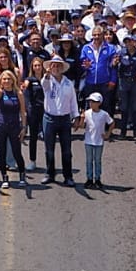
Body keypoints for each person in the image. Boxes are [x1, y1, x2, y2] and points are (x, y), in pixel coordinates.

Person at [41, 55, 79, 186]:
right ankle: (50, 174)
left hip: (64, 119)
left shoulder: (68, 83)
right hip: (49, 118)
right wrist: (46, 75)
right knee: (49, 149)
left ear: (62, 68)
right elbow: (44, 85)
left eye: (58, 66)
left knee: (66, 150)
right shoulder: (47, 80)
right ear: (50, 68)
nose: (56, 68)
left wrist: (76, 116)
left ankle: (68, 176)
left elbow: (73, 101)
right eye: (53, 65)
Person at [0, 69, 27, 188]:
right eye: (4, 79)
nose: (6, 81)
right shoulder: (0, 92)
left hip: (15, 126)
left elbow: (23, 112)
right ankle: (4, 178)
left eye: (9, 79)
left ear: (13, 80)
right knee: (1, 152)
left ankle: (22, 175)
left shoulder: (18, 93)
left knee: (17, 152)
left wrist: (24, 127)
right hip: (0, 126)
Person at [82, 92, 114, 188]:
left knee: (97, 160)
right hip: (88, 141)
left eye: (93, 102)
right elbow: (82, 126)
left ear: (99, 103)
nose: (91, 104)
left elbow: (112, 123)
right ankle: (89, 178)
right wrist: (81, 119)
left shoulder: (104, 114)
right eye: (90, 102)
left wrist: (108, 134)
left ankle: (98, 179)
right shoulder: (87, 113)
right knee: (89, 160)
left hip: (99, 141)